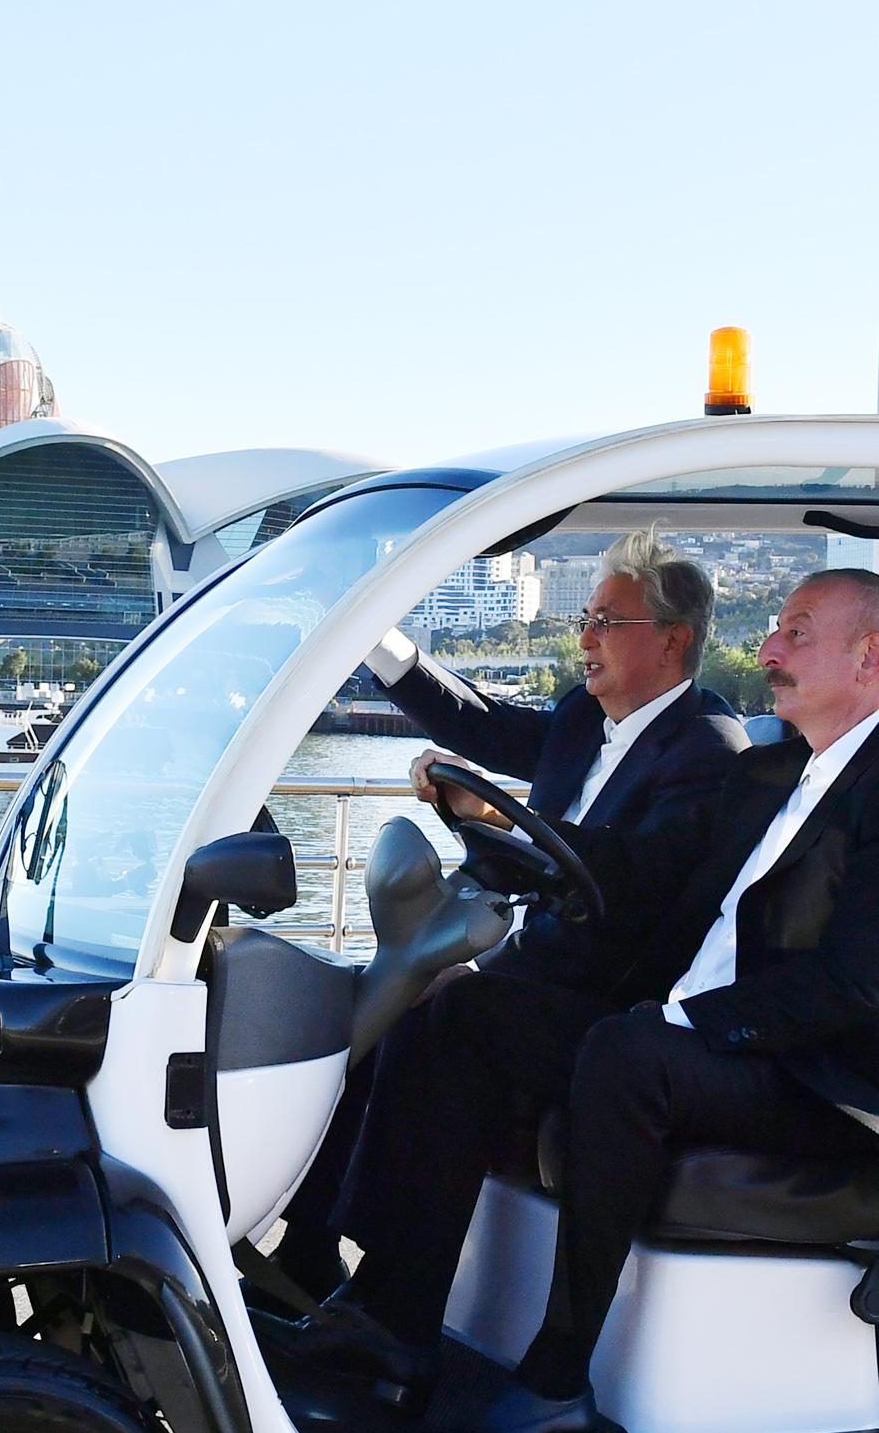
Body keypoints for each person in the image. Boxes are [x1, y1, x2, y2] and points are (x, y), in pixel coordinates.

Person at [286, 567, 879, 1433]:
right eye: (775, 630)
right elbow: (649, 881)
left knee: (627, 1053)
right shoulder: (768, 771)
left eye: (795, 633)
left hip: (822, 1078)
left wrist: (679, 1024)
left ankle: (554, 1385)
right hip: (705, 1041)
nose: (766, 651)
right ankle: (391, 1320)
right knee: (460, 1010)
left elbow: (864, 985)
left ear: (871, 655)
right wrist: (513, 834)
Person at [261, 534, 744, 1298]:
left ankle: (395, 1305)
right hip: (534, 969)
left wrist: (502, 820)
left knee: (456, 1014)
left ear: (672, 641)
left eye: (606, 622)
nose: (584, 639)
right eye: (584, 619)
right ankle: (307, 1249)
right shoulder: (583, 720)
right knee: (382, 999)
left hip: (614, 1005)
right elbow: (476, 720)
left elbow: (635, 875)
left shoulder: (709, 749)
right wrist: (372, 636)